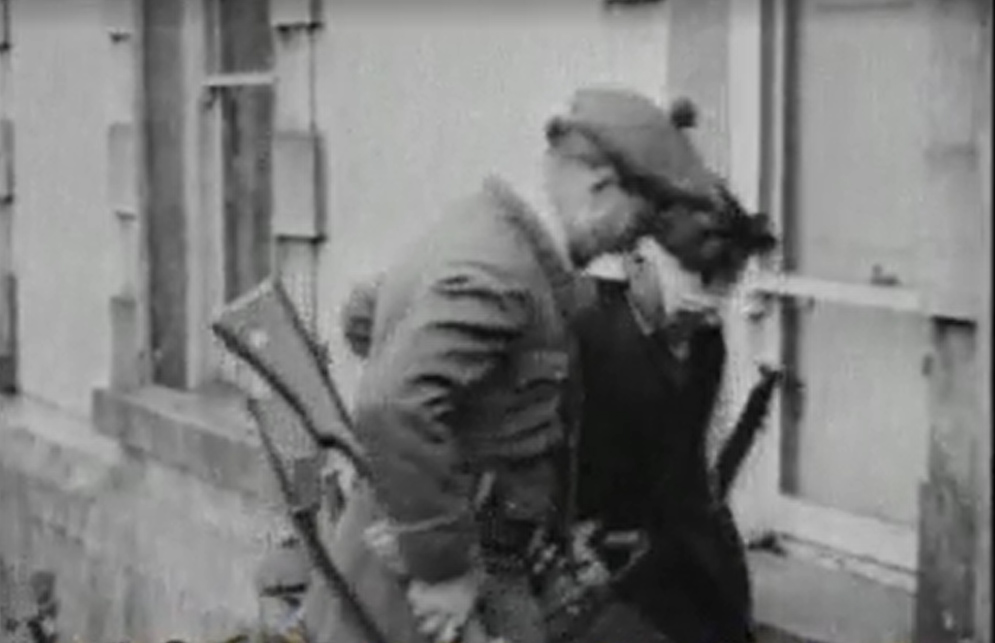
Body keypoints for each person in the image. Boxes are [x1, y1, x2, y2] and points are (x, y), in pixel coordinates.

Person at [300, 86, 725, 643]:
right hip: (429, 589)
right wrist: (441, 567)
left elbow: (366, 315)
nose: (631, 246)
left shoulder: (488, 232)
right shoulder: (503, 270)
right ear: (600, 188)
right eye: (637, 225)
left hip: (466, 550)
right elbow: (394, 402)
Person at [573, 116, 776, 641]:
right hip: (587, 563)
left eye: (723, 282)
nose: (707, 297)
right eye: (696, 273)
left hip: (672, 551)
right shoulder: (586, 329)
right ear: (639, 258)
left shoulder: (704, 341)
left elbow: (686, 470)